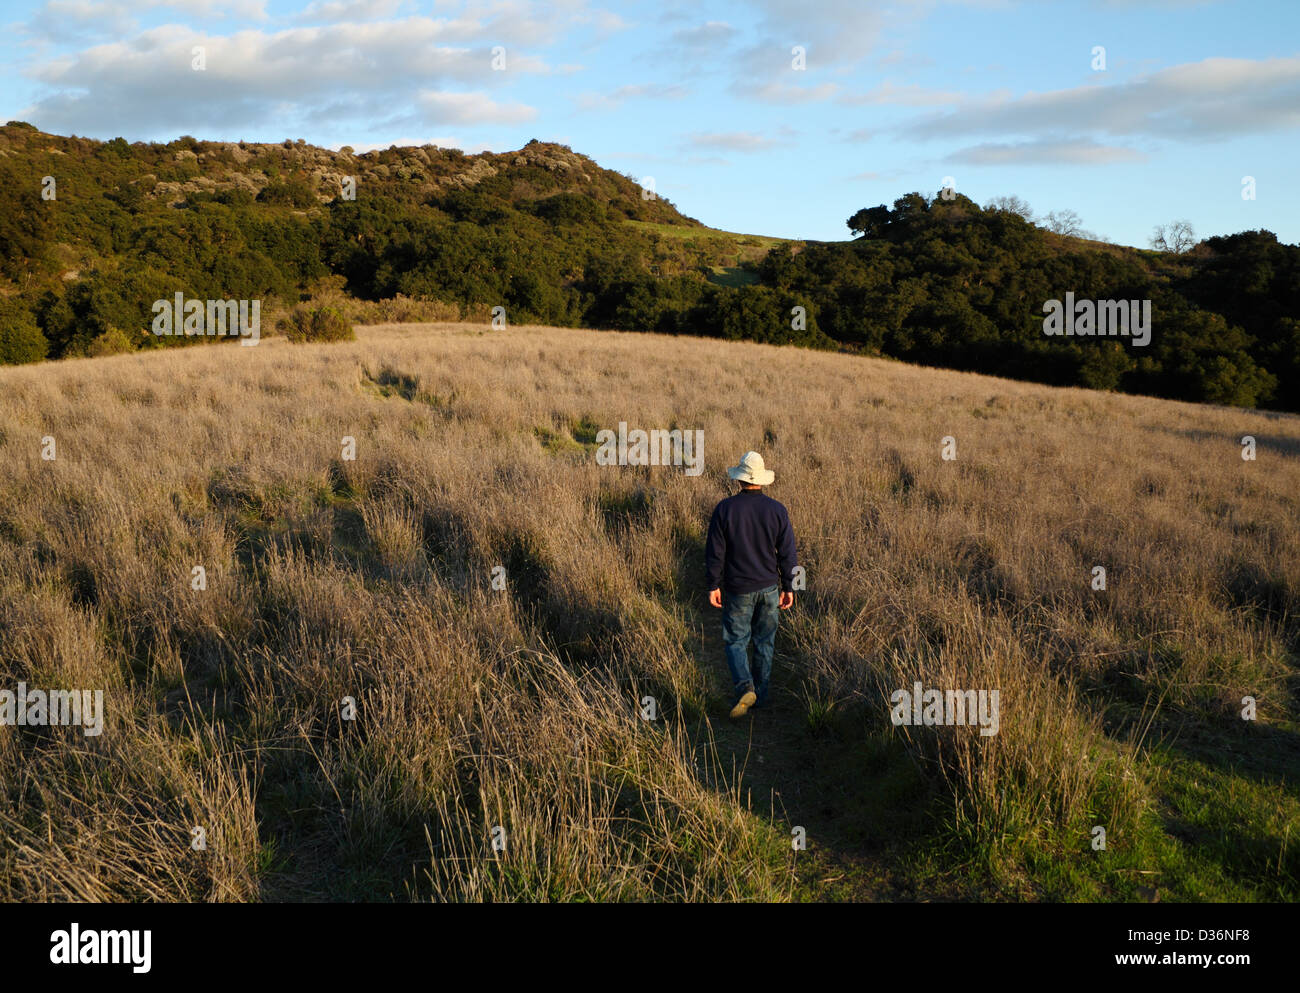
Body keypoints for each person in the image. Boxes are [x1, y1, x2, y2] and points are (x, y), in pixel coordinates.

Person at [704, 451, 797, 719]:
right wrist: (788, 586)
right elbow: (788, 553)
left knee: (735, 640)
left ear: (739, 480)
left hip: (737, 589)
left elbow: (715, 552)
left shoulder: (725, 509)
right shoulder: (778, 510)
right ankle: (761, 697)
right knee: (764, 643)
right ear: (762, 480)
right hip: (769, 589)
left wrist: (713, 585)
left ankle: (745, 686)